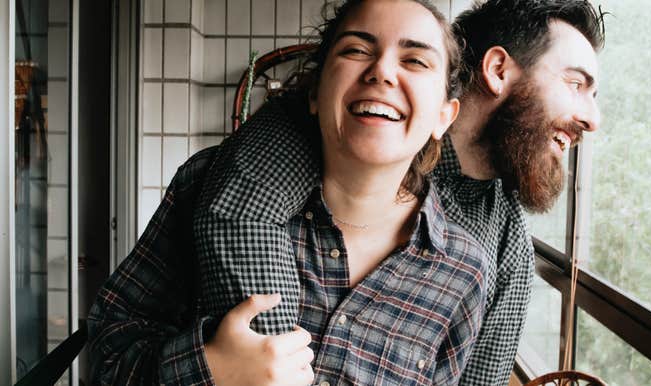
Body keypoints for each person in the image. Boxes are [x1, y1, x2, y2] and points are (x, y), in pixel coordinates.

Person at [186, 1, 606, 385]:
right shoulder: (287, 146)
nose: (593, 119)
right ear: (497, 70)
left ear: (446, 114)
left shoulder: (505, 246)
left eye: (415, 61)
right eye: (576, 84)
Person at [88, 1, 488, 385]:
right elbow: (107, 353)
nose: (381, 71)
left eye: (415, 60)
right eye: (356, 49)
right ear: (315, 94)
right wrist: (208, 369)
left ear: (443, 116)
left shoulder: (462, 271)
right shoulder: (204, 185)